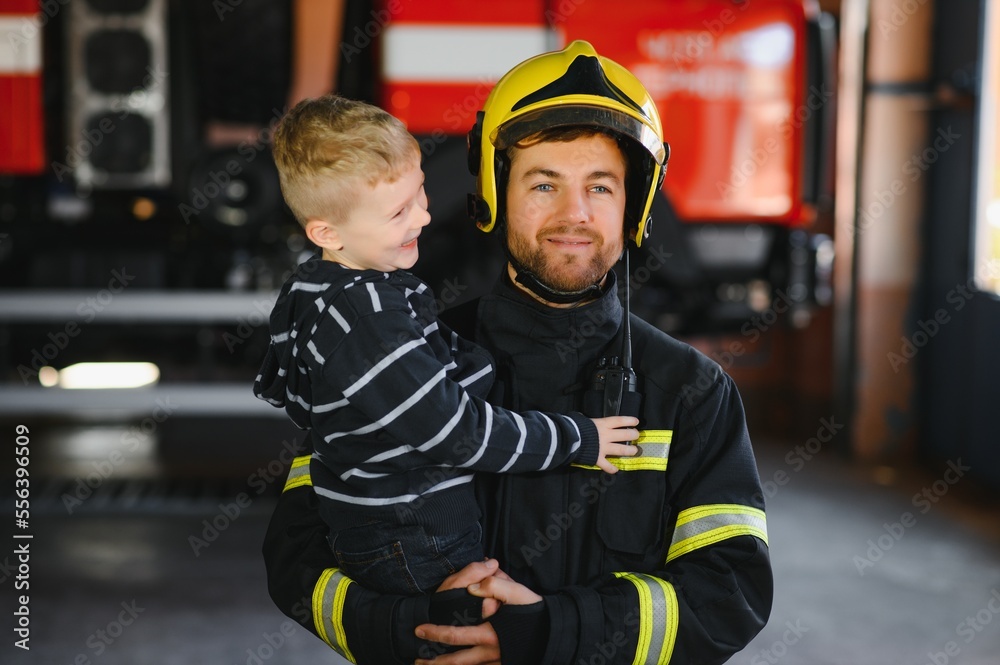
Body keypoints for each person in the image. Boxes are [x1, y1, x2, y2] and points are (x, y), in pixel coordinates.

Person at [262, 41, 773, 664]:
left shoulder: (693, 391)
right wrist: (420, 627)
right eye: (544, 183)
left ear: (635, 206)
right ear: (497, 192)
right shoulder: (399, 353)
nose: (574, 214)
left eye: (602, 187)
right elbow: (297, 558)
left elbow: (731, 593)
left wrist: (545, 634)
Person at [253, 94, 639, 596]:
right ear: (327, 231)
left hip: (378, 529)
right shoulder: (367, 319)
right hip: (415, 536)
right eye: (397, 213)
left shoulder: (314, 290)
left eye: (420, 194)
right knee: (479, 630)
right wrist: (578, 439)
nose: (422, 219)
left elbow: (303, 397)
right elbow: (456, 433)